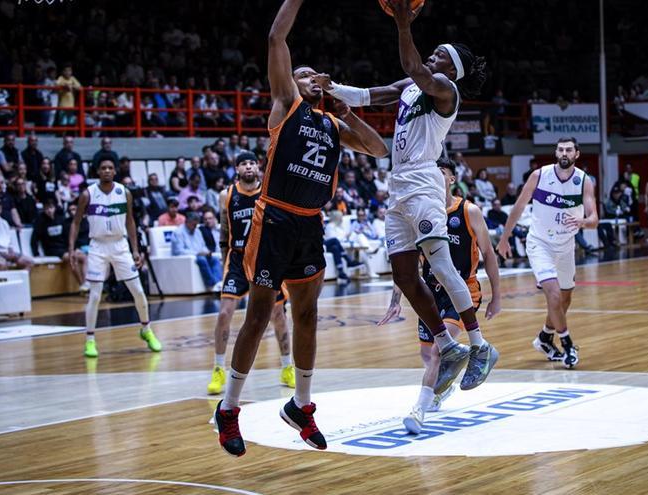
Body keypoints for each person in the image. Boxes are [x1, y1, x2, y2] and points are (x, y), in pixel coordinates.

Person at [214, 0, 388, 458]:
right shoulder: (285, 105)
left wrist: (345, 106)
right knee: (259, 314)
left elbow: (379, 149)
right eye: (306, 74)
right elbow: (276, 38)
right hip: (272, 218)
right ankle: (229, 408)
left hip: (309, 223)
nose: (313, 79)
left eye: (317, 77)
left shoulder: (333, 124)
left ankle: (301, 404)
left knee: (307, 316)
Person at [315, 0, 497, 394]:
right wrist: (331, 88)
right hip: (397, 185)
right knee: (404, 275)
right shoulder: (413, 88)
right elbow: (374, 94)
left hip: (424, 183)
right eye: (434, 51)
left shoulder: (445, 91)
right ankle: (448, 346)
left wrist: (402, 26)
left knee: (443, 269)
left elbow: (414, 67)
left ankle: (480, 346)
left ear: (452, 70)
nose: (433, 55)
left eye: (441, 55)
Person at [379, 158, 502, 434]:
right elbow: (407, 266)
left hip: (463, 289)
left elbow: (489, 255)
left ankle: (418, 410)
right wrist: (396, 300)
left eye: (441, 173)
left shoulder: (469, 211)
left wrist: (497, 296)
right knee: (427, 354)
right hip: (432, 292)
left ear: (451, 180)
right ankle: (442, 386)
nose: (434, 177)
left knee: (437, 351)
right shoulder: (419, 214)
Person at [498, 137, 599, 369]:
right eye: (561, 149)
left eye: (569, 150)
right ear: (556, 152)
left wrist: (582, 221)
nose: (564, 153)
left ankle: (545, 338)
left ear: (576, 154)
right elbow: (518, 207)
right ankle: (568, 345)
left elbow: (594, 219)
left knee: (565, 299)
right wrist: (504, 239)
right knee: (553, 295)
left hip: (566, 246)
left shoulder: (584, 181)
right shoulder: (539, 175)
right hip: (539, 243)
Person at [207, 152, 295, 396]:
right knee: (225, 313)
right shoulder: (226, 195)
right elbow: (225, 231)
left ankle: (287, 366)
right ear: (237, 169)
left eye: (252, 163)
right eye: (244, 163)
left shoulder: (268, 192)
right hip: (236, 259)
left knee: (278, 314)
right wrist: (224, 257)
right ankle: (218, 368)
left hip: (264, 258)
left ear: (258, 168)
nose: (248, 167)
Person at [67, 158, 161, 358]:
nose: (107, 171)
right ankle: (90, 340)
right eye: (103, 168)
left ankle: (146, 329)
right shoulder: (88, 194)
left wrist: (135, 249)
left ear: (115, 171)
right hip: (97, 246)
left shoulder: (124, 192)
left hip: (120, 245)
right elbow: (75, 223)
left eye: (110, 168)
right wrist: (71, 248)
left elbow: (130, 221)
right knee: (94, 295)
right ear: (97, 171)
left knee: (138, 291)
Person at [32, 199, 87, 287]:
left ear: (54, 208)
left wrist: (75, 248)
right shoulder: (40, 221)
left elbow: (68, 236)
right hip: (52, 249)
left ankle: (86, 283)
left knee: (84, 257)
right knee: (72, 258)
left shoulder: (61, 219)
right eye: (46, 208)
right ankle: (82, 284)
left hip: (64, 247)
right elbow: (34, 239)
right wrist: (36, 253)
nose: (49, 210)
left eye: (51, 208)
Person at [172, 211, 223, 290]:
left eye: (196, 224)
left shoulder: (197, 231)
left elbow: (203, 246)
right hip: (188, 257)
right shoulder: (178, 232)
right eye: (193, 225)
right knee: (202, 259)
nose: (195, 227)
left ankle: (218, 283)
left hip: (200, 255)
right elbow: (178, 251)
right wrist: (197, 253)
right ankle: (211, 284)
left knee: (215, 259)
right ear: (187, 222)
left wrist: (207, 252)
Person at [0, 200, 34, 271]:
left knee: (29, 262)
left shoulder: (4, 223)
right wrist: (5, 255)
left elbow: (9, 243)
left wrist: (11, 252)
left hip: (7, 252)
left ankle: (21, 279)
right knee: (2, 264)